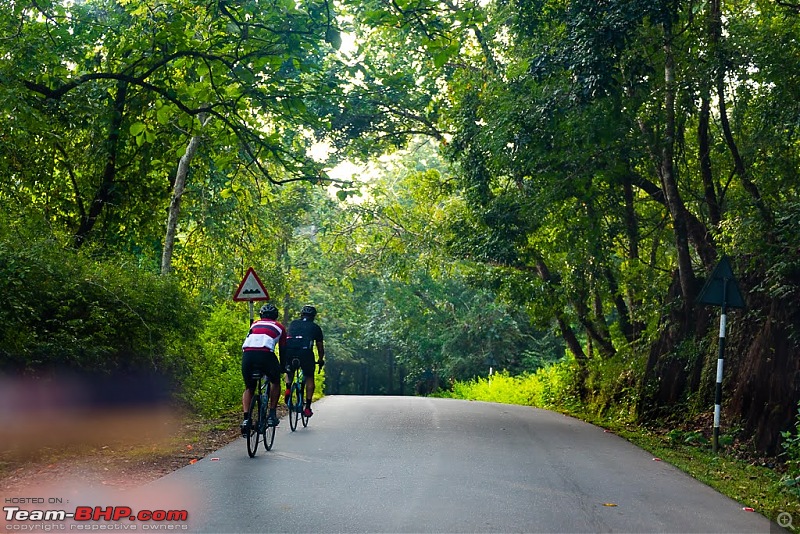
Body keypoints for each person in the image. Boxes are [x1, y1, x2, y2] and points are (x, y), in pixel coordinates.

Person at [241, 302, 286, 435]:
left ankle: (245, 420)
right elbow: (283, 349)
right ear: (275, 316)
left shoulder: (254, 324)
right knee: (275, 381)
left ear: (261, 315)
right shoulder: (279, 327)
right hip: (265, 355)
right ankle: (272, 414)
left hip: (248, 355)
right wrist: (282, 367)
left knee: (249, 387)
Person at [282, 305, 325, 418]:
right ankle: (308, 408)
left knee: (289, 371)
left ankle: (287, 388)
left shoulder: (293, 324)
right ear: (313, 317)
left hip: (289, 351)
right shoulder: (315, 327)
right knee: (309, 377)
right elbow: (320, 347)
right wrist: (320, 360)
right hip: (305, 353)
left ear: (301, 315)